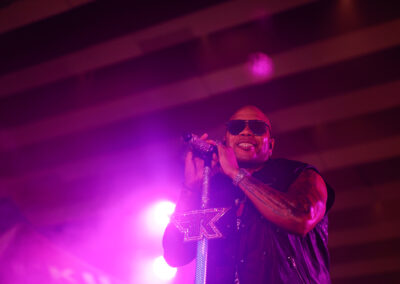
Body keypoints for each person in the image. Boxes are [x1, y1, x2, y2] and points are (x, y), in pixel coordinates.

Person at [163, 105, 335, 283]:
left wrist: (237, 174)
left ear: (271, 145)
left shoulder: (298, 174)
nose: (246, 132)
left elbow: (301, 217)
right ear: (226, 140)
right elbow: (175, 255)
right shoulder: (212, 191)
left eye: (257, 128)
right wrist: (190, 189)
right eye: (236, 127)